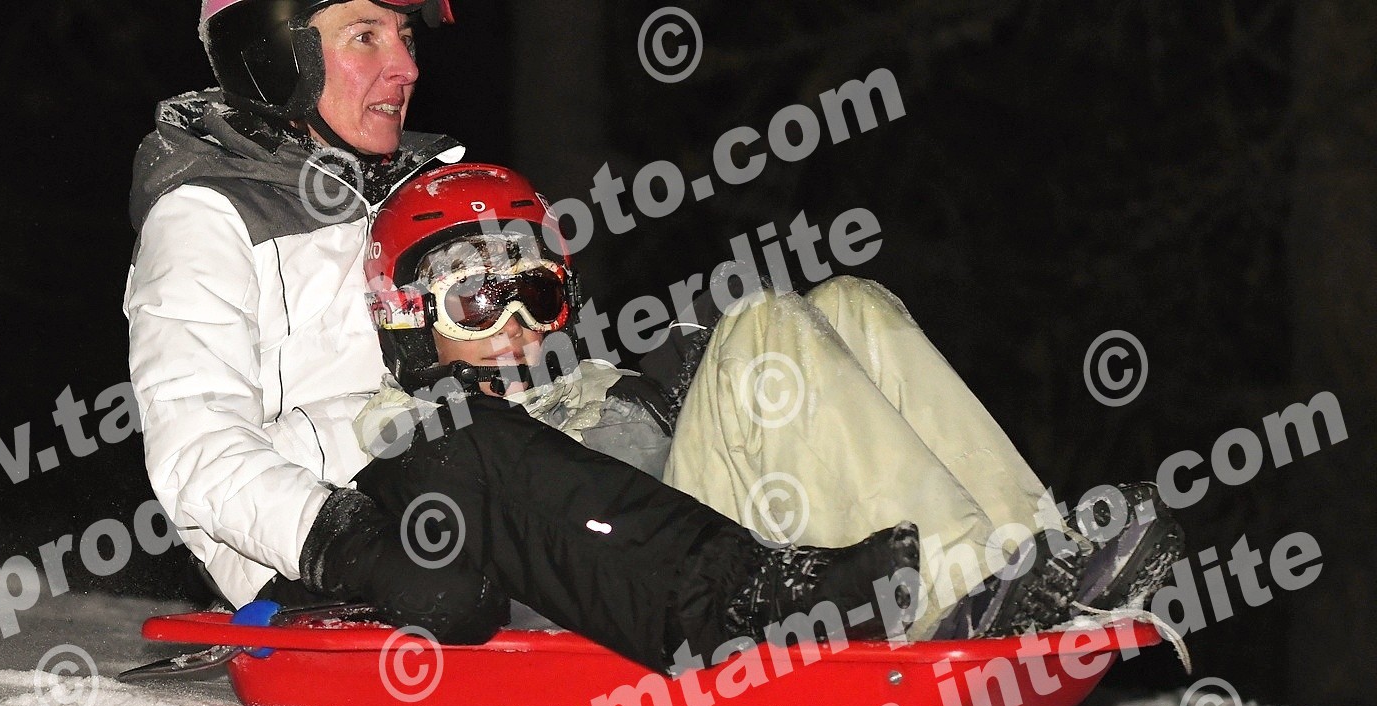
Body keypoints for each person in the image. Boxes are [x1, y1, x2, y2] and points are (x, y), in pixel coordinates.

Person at [126, 0, 924, 674]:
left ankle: (954, 565)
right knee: (457, 433)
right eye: (366, 36)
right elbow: (196, 449)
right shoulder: (204, 218)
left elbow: (498, 348)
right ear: (272, 52)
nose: (405, 67)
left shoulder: (408, 188)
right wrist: (349, 543)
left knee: (806, 325)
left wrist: (641, 390)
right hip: (328, 552)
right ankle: (748, 605)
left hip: (488, 479)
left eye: (405, 36)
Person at [361, 162, 1186, 641]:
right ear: (405, 316)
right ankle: (961, 589)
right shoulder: (403, 429)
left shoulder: (583, 384)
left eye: (535, 293)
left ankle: (1034, 554)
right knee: (763, 326)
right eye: (474, 301)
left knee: (853, 302)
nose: (513, 326)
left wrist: (672, 390)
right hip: (638, 610)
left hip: (720, 554)